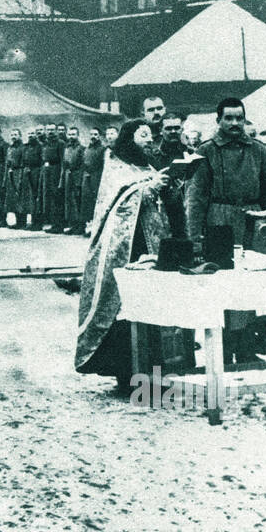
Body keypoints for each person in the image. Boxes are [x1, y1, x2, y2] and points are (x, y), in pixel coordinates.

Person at [76, 120, 174, 390]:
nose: (148, 140)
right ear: (129, 139)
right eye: (142, 135)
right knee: (125, 309)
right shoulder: (116, 166)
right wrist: (148, 189)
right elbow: (116, 203)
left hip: (150, 244)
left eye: (149, 135)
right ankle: (126, 373)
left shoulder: (149, 166)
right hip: (127, 248)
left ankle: (154, 371)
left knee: (152, 309)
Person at [185, 98, 266, 362]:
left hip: (252, 222)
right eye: (229, 118)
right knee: (223, 284)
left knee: (249, 286)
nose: (235, 123)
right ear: (219, 120)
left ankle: (247, 347)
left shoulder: (258, 150)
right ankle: (225, 350)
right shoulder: (207, 151)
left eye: (239, 118)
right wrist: (194, 237)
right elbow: (197, 196)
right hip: (219, 221)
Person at [59, 126, 85, 234]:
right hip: (67, 177)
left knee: (77, 201)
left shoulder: (81, 148)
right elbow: (64, 164)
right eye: (70, 134)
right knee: (69, 202)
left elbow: (83, 165)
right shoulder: (66, 148)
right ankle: (73, 225)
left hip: (77, 177)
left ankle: (80, 226)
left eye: (73, 134)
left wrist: (79, 180)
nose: (71, 137)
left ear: (78, 135)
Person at [38, 124, 65, 232]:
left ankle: (58, 225)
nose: (50, 132)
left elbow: (63, 160)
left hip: (56, 171)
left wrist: (61, 178)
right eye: (48, 130)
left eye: (52, 130)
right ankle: (52, 223)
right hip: (46, 171)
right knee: (47, 197)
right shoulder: (44, 143)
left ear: (56, 131)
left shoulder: (60, 143)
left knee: (56, 197)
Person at [79, 127, 106, 235]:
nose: (93, 137)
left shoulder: (103, 149)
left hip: (97, 177)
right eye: (91, 134)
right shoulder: (87, 149)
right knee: (87, 202)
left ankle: (97, 229)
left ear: (99, 136)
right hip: (87, 178)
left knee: (96, 202)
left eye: (95, 134)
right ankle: (89, 227)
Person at [2, 128, 28, 228]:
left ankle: (22, 222)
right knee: (12, 198)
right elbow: (6, 163)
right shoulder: (10, 148)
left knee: (20, 197)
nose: (13, 136)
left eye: (15, 135)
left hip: (19, 173)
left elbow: (23, 162)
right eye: (12, 135)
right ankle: (18, 221)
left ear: (20, 136)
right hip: (10, 173)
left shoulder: (23, 148)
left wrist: (21, 176)